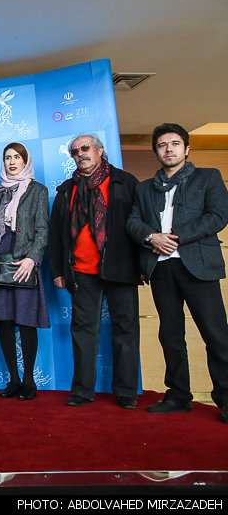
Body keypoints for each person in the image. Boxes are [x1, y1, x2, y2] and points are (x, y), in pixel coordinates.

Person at [126, 123, 228, 423]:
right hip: (161, 267)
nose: (168, 149)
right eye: (162, 145)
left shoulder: (208, 177)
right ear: (156, 152)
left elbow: (218, 215)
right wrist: (151, 237)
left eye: (174, 144)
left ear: (186, 148)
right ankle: (178, 396)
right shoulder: (144, 187)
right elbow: (133, 222)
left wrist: (176, 237)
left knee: (216, 335)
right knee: (170, 335)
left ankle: (225, 398)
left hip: (198, 267)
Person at [49, 133, 141, 409]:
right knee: (83, 331)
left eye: (85, 148)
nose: (80, 154)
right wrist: (58, 270)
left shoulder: (125, 182)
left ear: (99, 150)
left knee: (125, 329)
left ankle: (126, 393)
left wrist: (142, 265)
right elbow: (56, 234)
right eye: (75, 152)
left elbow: (140, 224)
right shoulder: (66, 190)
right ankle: (82, 391)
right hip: (81, 270)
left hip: (121, 267)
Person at [0, 143, 50, 401]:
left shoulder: (38, 190)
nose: (12, 162)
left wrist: (32, 259)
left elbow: (42, 229)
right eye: (7, 157)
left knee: (26, 320)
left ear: (25, 161)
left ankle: (29, 380)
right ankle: (13, 379)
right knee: (5, 321)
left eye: (17, 157)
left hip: (24, 262)